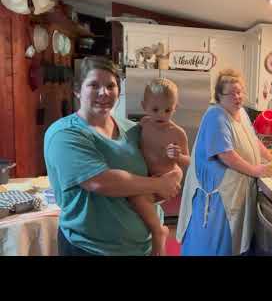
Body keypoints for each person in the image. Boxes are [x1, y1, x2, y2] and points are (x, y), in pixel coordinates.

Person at [44, 56, 182, 256]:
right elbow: (101, 182)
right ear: (77, 91)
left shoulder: (134, 129)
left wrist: (174, 175)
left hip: (142, 247)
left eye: (111, 85)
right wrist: (158, 185)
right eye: (94, 85)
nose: (104, 93)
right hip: (91, 249)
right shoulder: (64, 134)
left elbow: (163, 164)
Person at [176, 68, 272, 256]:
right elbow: (225, 155)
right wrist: (256, 170)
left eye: (239, 92)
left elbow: (254, 141)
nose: (237, 97)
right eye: (230, 93)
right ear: (219, 96)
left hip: (234, 193)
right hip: (219, 198)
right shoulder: (216, 115)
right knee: (214, 246)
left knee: (232, 244)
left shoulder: (242, 113)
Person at [129, 77, 190, 256]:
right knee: (137, 201)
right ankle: (155, 229)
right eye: (155, 110)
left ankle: (159, 232)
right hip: (148, 178)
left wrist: (178, 156)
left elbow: (189, 161)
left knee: (137, 197)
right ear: (144, 107)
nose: (161, 115)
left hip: (165, 180)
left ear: (175, 107)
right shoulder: (143, 125)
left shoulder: (177, 133)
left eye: (167, 110)